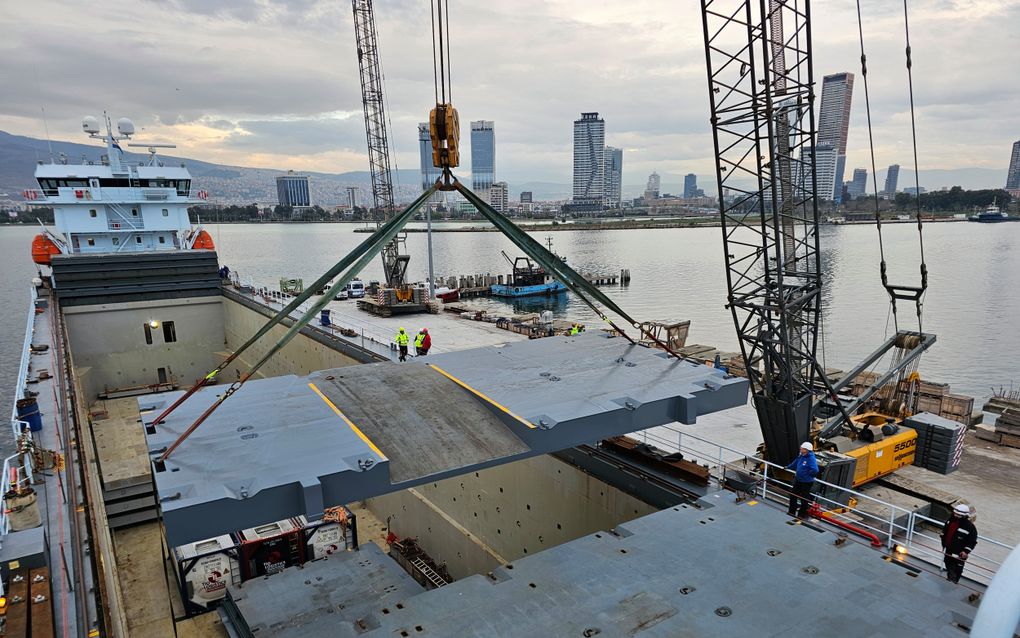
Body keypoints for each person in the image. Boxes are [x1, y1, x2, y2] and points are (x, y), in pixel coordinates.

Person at [941, 503, 977, 583]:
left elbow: (972, 541)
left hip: (959, 552)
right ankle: (950, 577)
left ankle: (954, 580)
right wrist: (943, 537)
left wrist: (966, 551)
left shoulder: (970, 527)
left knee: (958, 566)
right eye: (955, 513)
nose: (956, 516)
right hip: (949, 548)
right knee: (947, 561)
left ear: (964, 516)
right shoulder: (950, 521)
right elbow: (945, 530)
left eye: (958, 515)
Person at [785, 441, 819, 518]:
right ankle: (791, 512)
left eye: (802, 448)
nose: (800, 449)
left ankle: (801, 514)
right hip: (798, 480)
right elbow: (795, 462)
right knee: (793, 495)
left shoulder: (811, 458)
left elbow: (815, 470)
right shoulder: (801, 455)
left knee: (804, 499)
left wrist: (807, 475)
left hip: (806, 482)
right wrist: (788, 467)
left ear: (806, 450)